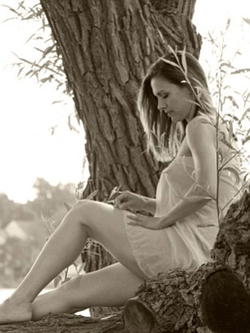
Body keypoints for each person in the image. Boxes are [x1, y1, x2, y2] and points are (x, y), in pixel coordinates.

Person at [0, 50, 242, 324]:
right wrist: (146, 203)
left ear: (188, 85)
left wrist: (160, 221)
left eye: (164, 95)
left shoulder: (199, 125)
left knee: (84, 213)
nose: (160, 106)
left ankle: (18, 299)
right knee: (75, 289)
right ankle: (8, 315)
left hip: (185, 255)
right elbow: (205, 202)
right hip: (190, 260)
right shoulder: (216, 127)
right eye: (156, 98)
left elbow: (205, 189)